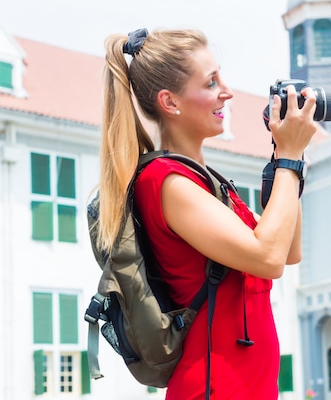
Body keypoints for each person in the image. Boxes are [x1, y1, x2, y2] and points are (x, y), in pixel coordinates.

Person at [96, 27, 317, 399]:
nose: (227, 92)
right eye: (212, 82)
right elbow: (269, 257)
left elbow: (289, 250)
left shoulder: (209, 185)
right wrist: (290, 158)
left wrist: (286, 155)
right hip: (214, 389)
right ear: (171, 102)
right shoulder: (167, 182)